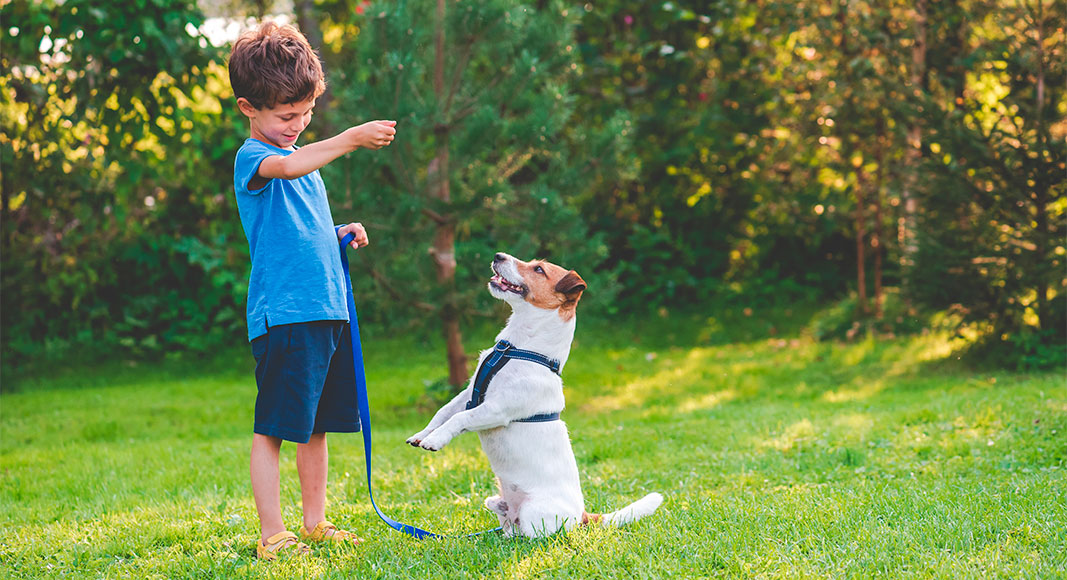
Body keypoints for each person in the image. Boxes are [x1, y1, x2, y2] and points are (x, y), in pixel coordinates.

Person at [227, 21, 397, 560]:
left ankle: (314, 521)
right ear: (247, 107)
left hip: (326, 309)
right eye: (286, 116)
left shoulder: (304, 163)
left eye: (306, 113)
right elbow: (287, 165)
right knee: (274, 428)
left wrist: (337, 233)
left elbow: (299, 224)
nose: (297, 125)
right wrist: (347, 138)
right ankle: (272, 534)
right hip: (287, 315)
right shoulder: (255, 158)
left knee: (316, 427)